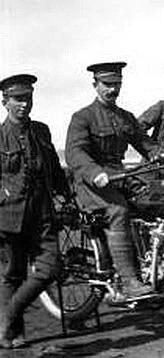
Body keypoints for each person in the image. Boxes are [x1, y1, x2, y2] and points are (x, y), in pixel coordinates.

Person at [66, 62, 160, 302]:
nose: (112, 89)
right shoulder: (82, 117)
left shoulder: (125, 117)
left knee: (155, 203)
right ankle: (129, 281)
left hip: (120, 178)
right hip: (90, 185)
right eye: (107, 85)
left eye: (116, 84)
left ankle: (153, 269)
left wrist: (162, 156)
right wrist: (95, 173)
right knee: (118, 211)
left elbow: (147, 146)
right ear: (95, 85)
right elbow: (75, 154)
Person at [0, 74, 68, 348]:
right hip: (10, 216)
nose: (24, 105)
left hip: (42, 213)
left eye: (27, 98)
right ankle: (12, 334)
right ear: (5, 102)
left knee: (51, 268)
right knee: (13, 275)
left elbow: (54, 167)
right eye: (18, 99)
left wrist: (65, 195)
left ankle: (8, 316)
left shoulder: (42, 131)